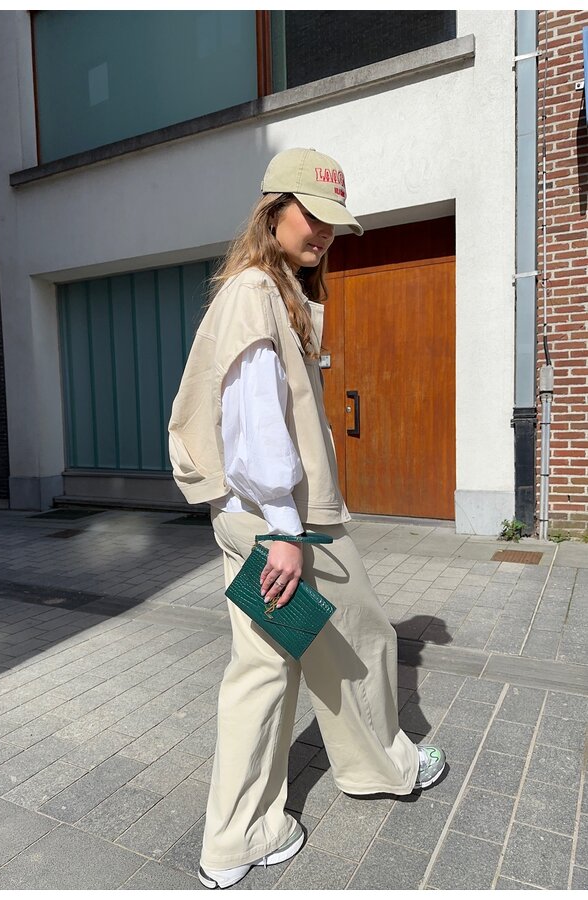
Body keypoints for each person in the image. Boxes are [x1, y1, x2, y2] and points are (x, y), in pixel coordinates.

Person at [168, 148, 446, 890]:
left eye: (333, 223)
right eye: (313, 215)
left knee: (265, 671)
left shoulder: (255, 291)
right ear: (274, 209)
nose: (324, 233)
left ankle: (238, 840)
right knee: (362, 638)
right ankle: (382, 768)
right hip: (281, 522)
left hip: (246, 517)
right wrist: (288, 532)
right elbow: (258, 427)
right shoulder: (259, 292)